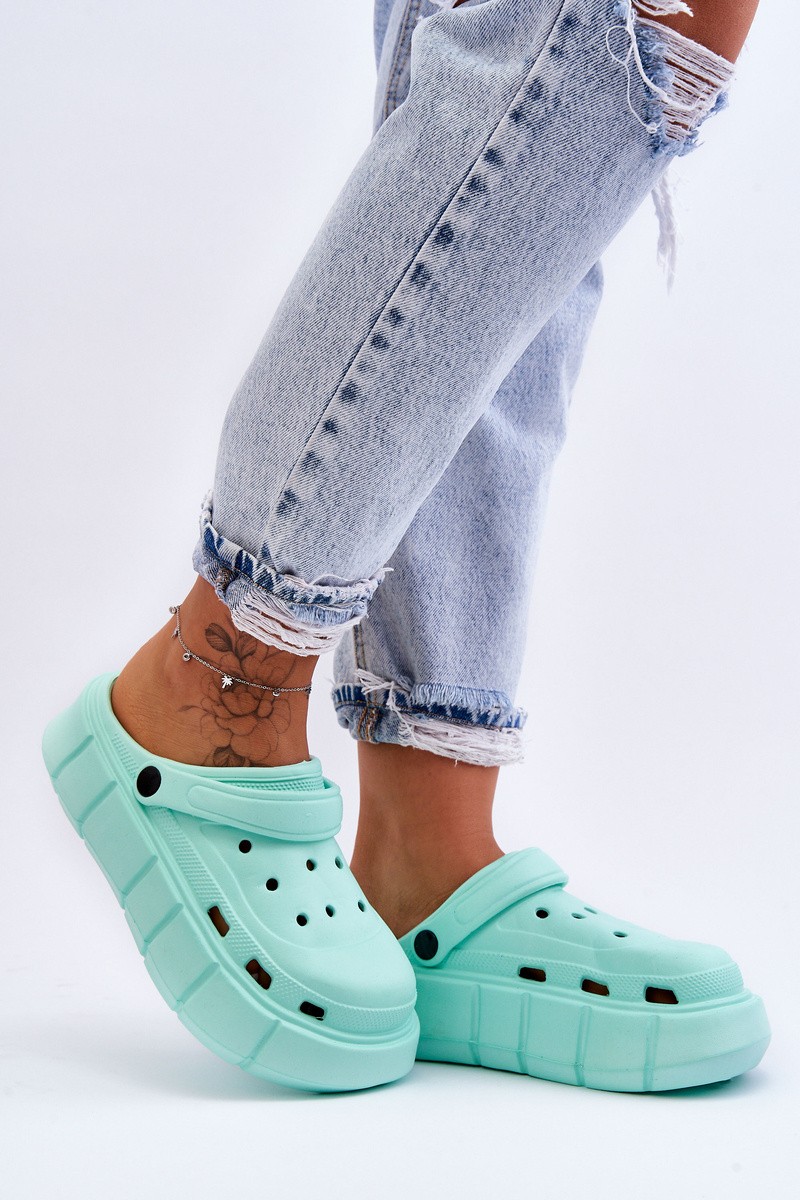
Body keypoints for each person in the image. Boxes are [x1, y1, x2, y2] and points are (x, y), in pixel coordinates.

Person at [43, 0, 769, 1094]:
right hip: (226, 678)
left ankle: (426, 847)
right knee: (578, 42)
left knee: (537, 152)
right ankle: (221, 677)